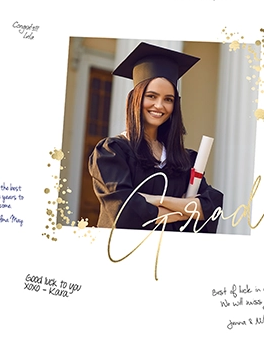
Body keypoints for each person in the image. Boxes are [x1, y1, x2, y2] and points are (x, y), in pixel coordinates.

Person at [89, 42, 224, 233]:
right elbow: (124, 210)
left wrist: (158, 200)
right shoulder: (112, 152)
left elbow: (211, 208)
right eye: (151, 96)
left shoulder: (186, 160)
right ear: (135, 99)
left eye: (168, 99)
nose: (160, 106)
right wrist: (184, 210)